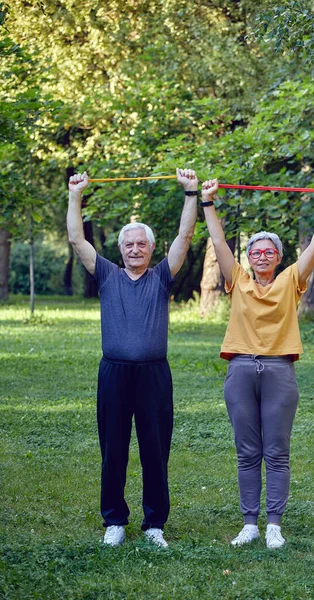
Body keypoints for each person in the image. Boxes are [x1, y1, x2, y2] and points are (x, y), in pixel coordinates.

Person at [200, 179, 314, 548]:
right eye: (255, 252)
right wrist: (208, 202)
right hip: (241, 371)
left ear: (278, 257)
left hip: (279, 371)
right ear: (248, 258)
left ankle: (273, 523)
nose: (262, 256)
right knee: (247, 452)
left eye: (269, 252)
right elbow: (218, 244)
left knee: (276, 451)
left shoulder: (292, 280)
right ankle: (249, 523)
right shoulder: (238, 281)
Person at [67, 168, 199, 547]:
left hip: (154, 375)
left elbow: (186, 237)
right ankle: (115, 521)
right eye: (129, 244)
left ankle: (154, 523)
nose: (135, 249)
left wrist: (191, 193)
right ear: (121, 249)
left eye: (142, 244)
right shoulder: (107, 274)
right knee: (113, 449)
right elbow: (77, 238)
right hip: (114, 374)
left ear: (151, 249)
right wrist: (76, 194)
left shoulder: (162, 276)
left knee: (155, 451)